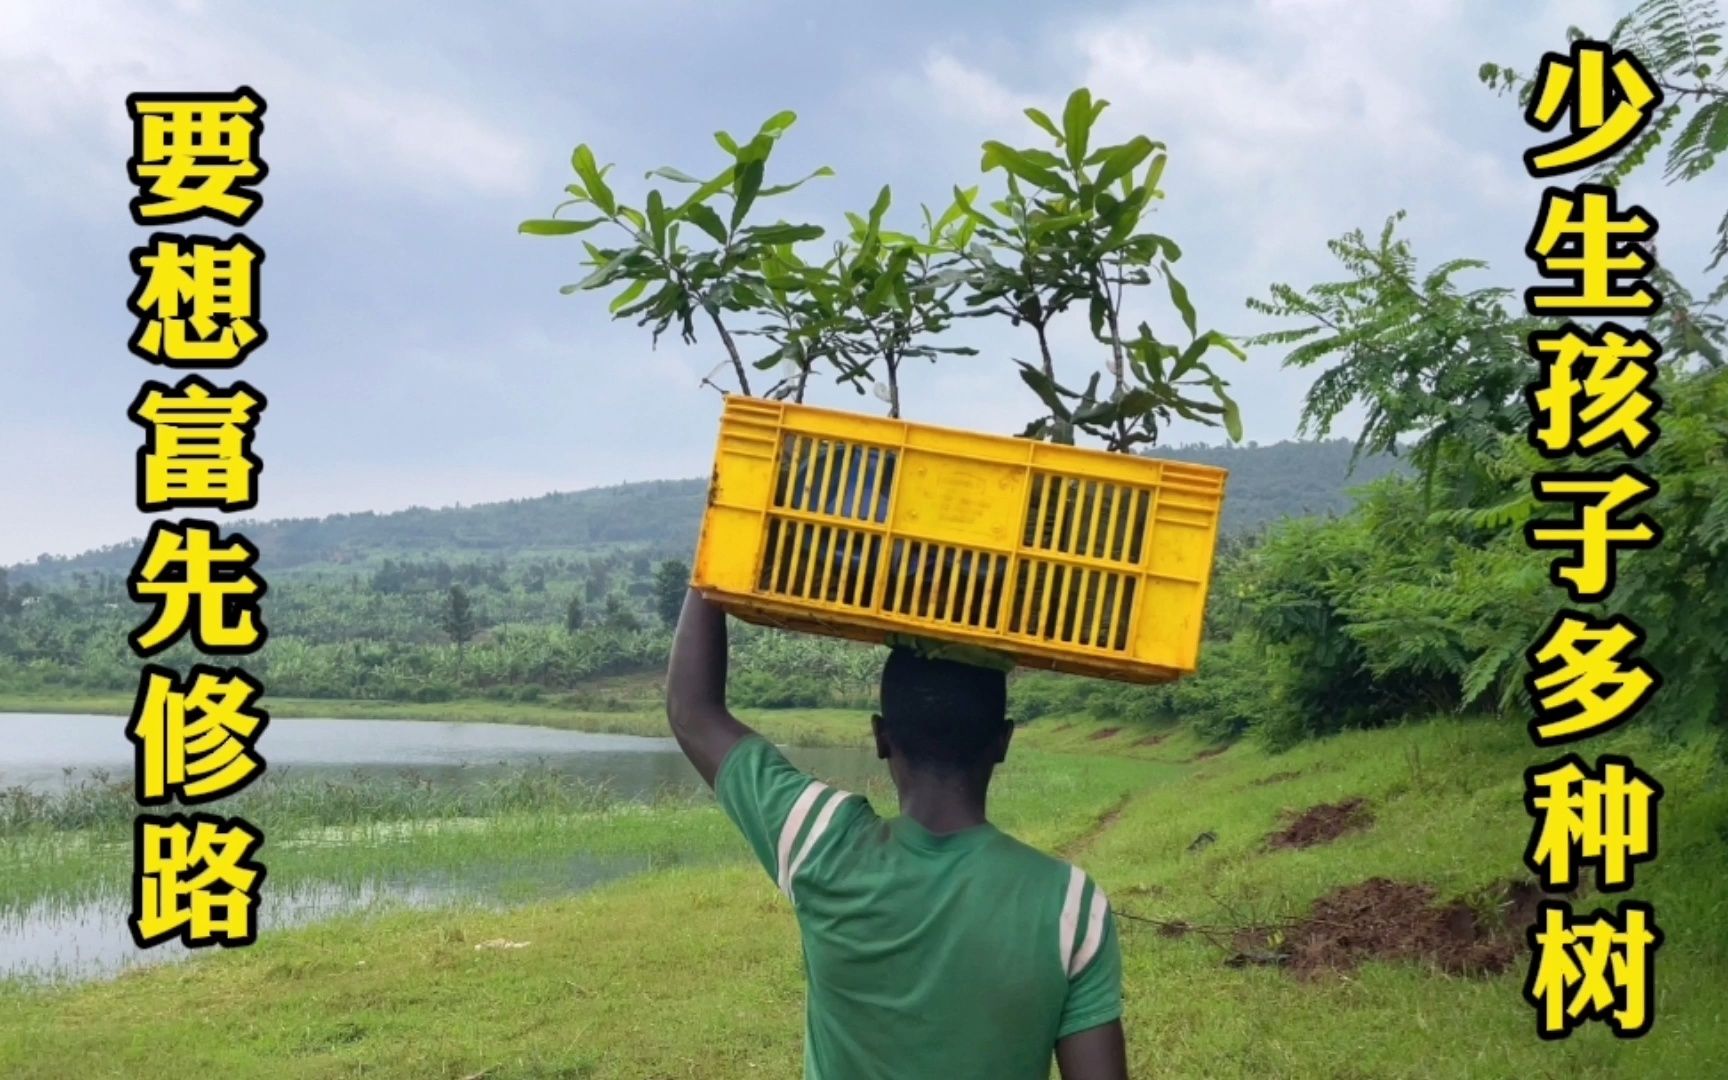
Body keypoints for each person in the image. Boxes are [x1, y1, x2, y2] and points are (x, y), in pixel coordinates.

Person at [666, 589, 1129, 1080]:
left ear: (881, 737)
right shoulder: (1072, 906)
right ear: (1003, 741)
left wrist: (712, 561)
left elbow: (692, 711)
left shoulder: (822, 845)